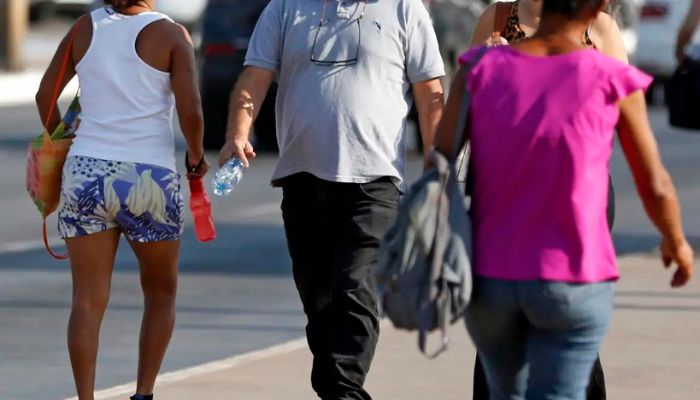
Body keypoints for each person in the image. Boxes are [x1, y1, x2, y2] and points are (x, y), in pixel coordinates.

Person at [433, 0, 695, 398]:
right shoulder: (606, 74)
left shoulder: (480, 66)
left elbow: (441, 153)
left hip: (495, 274)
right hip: (571, 270)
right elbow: (653, 180)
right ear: (593, 9)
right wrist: (675, 241)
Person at [217, 0, 445, 398]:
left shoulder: (406, 9)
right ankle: (337, 390)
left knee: (356, 289)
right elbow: (254, 78)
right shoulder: (286, 8)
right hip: (301, 178)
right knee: (318, 303)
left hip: (375, 180)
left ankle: (344, 393)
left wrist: (436, 164)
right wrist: (238, 132)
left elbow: (430, 94)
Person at [35, 1, 208, 399]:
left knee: (87, 300)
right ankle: (143, 393)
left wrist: (61, 140)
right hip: (147, 176)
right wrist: (196, 157)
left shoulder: (83, 29)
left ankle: (85, 397)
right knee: (161, 292)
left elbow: (46, 94)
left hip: (86, 172)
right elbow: (191, 111)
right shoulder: (171, 34)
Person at [467, 1, 630, 398]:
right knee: (506, 315)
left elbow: (624, 117)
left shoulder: (600, 28)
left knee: (569, 309)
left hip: (580, 198)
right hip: (507, 196)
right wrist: (486, 69)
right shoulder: (496, 19)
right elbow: (465, 121)